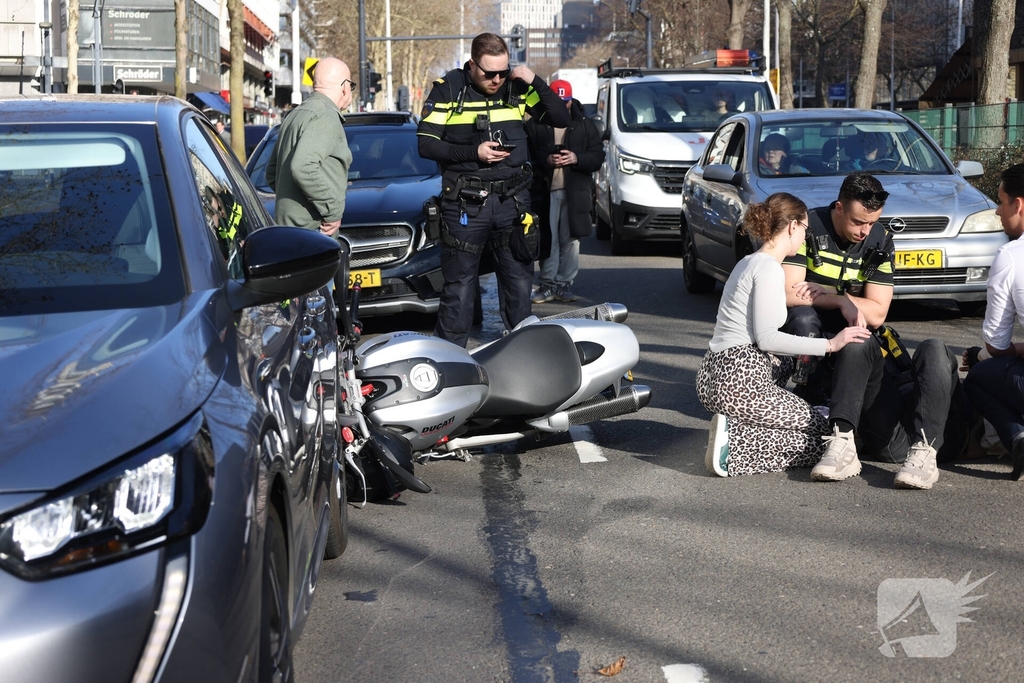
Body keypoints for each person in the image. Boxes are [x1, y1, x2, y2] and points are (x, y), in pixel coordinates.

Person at [781, 172, 972, 489]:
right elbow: (790, 291)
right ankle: (841, 440)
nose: (865, 231)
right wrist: (849, 303)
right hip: (887, 431)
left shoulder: (879, 238)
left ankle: (925, 452)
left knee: (935, 347)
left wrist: (838, 298)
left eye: (872, 223)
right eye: (858, 222)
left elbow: (878, 312)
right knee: (853, 336)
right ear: (839, 207)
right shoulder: (808, 227)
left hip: (940, 436)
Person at [697, 193, 872, 477]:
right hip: (740, 380)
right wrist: (830, 344)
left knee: (803, 403)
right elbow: (767, 339)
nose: (805, 238)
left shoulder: (748, 262)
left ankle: (741, 429)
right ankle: (735, 447)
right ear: (792, 226)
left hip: (713, 375)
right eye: (805, 230)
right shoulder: (769, 268)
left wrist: (824, 295)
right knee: (825, 434)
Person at [417, 32, 571, 347]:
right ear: (472, 64)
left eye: (503, 71)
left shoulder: (516, 87)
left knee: (519, 286)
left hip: (512, 203)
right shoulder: (449, 89)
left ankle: (524, 359)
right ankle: (451, 363)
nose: (497, 80)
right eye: (489, 73)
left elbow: (561, 117)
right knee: (459, 290)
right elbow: (426, 145)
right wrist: (474, 153)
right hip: (465, 205)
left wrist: (534, 80)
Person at [265, 57, 354, 294]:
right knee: (316, 310)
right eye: (351, 86)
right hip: (314, 235)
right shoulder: (326, 115)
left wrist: (293, 201)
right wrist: (332, 211)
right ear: (344, 87)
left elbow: (272, 173)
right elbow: (303, 166)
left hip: (289, 233)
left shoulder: (296, 114)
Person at [962, 163, 1024, 479]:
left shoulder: (1011, 255)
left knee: (979, 376)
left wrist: (982, 356)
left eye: (1001, 202)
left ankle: (1017, 437)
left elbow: (996, 346)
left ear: (1018, 204)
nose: (999, 212)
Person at [525, 78, 605, 304]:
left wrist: (576, 158)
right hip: (545, 191)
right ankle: (547, 284)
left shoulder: (584, 124)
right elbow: (527, 155)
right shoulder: (536, 123)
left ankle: (563, 284)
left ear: (571, 101)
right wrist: (546, 159)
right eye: (559, 102)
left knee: (570, 239)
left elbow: (598, 156)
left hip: (575, 192)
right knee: (547, 238)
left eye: (566, 102)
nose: (563, 106)